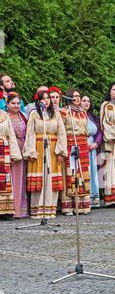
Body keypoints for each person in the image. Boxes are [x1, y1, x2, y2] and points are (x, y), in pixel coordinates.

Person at [23, 90, 67, 219]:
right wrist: (31, 151)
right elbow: (30, 132)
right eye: (43, 98)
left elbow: (61, 133)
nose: (46, 100)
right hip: (38, 148)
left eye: (48, 98)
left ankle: (50, 209)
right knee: (40, 178)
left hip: (53, 149)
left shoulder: (56, 114)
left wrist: (60, 151)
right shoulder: (34, 114)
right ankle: (37, 209)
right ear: (38, 101)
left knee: (51, 178)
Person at [60, 89, 91, 215]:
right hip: (71, 143)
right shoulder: (64, 112)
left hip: (83, 143)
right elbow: (61, 130)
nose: (77, 99)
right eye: (74, 96)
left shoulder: (83, 112)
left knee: (83, 172)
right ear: (69, 98)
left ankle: (83, 205)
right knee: (72, 172)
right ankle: (69, 205)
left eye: (79, 96)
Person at [6, 92, 29, 218]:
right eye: (13, 103)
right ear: (7, 104)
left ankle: (20, 209)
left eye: (18, 103)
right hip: (10, 149)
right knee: (11, 177)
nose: (16, 106)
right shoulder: (4, 117)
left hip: (23, 148)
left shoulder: (24, 116)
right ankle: (10, 208)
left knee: (21, 178)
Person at [81, 95, 103, 208]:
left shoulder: (93, 117)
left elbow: (99, 132)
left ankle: (93, 198)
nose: (86, 103)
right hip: (81, 147)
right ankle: (84, 198)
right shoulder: (76, 116)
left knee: (93, 172)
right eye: (83, 101)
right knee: (84, 172)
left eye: (88, 101)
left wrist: (96, 143)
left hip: (92, 148)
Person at [0, 108, 22, 218]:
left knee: (5, 179)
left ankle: (6, 211)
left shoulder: (5, 115)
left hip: (4, 150)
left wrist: (14, 153)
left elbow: (11, 135)